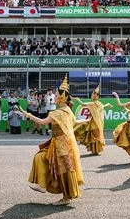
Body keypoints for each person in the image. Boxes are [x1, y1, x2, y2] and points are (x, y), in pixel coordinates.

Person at [23, 76, 85, 205]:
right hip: (64, 144)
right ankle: (43, 185)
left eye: (56, 95)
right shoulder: (68, 111)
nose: (54, 97)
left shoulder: (56, 113)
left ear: (62, 98)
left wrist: (29, 115)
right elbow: (75, 122)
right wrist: (84, 121)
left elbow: (42, 122)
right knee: (51, 163)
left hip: (61, 145)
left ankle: (65, 197)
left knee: (62, 169)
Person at [74, 85, 111, 155]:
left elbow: (83, 104)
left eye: (92, 95)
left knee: (94, 137)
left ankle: (96, 151)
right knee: (95, 137)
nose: (91, 96)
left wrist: (78, 99)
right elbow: (103, 107)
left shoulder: (92, 104)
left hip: (95, 123)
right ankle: (95, 151)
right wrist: (107, 105)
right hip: (96, 123)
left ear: (95, 96)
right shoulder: (99, 103)